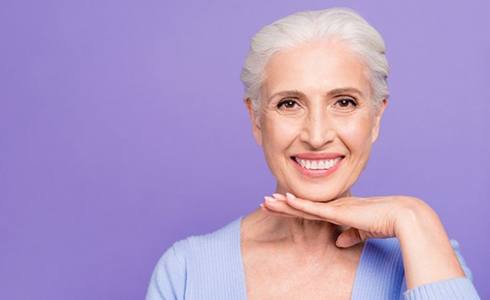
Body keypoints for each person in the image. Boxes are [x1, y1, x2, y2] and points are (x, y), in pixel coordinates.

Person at [145, 7, 480, 299]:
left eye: (344, 102)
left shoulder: (423, 252)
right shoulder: (187, 270)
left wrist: (414, 215)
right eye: (289, 104)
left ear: (376, 118)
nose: (317, 136)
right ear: (256, 119)